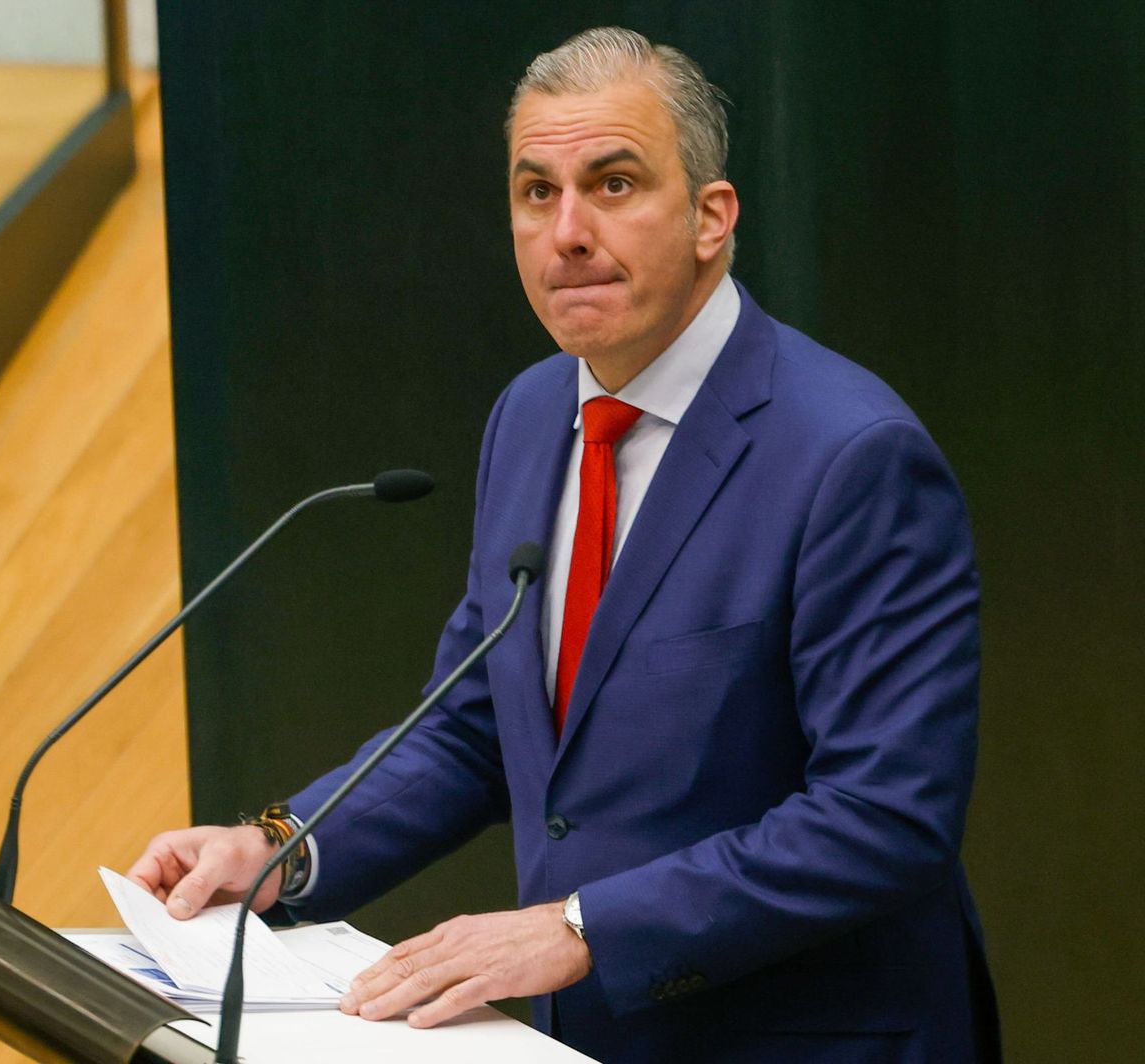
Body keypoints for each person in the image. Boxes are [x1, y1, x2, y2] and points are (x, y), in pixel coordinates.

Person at [127, 26, 999, 1062]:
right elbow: (473, 725)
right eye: (536, 192)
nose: (568, 231)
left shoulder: (850, 457)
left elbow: (882, 814)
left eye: (614, 183)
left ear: (712, 218)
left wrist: (581, 929)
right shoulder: (534, 414)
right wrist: (279, 848)